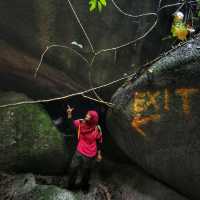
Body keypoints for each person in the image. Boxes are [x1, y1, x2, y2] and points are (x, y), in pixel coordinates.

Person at [66, 105, 103, 192]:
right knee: (73, 168)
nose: (86, 116)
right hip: (79, 150)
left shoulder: (97, 129)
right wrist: (69, 114)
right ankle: (71, 186)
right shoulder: (81, 122)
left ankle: (85, 186)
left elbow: (99, 142)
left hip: (90, 154)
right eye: (86, 115)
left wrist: (99, 154)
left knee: (86, 171)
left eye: (88, 116)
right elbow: (71, 125)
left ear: (93, 119)